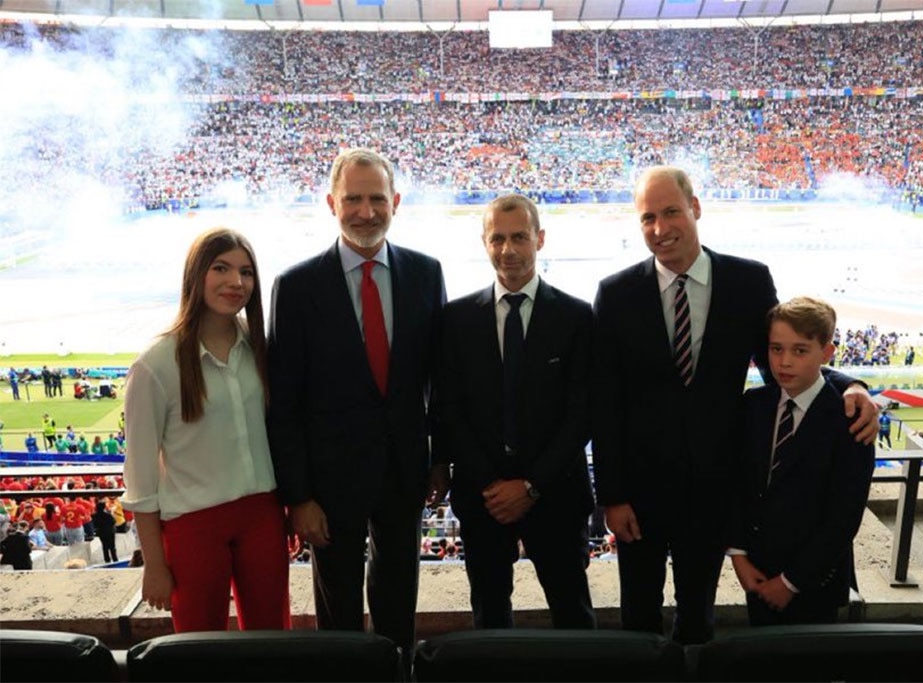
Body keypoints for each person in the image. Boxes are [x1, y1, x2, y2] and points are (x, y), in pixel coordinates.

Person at [590, 165, 880, 645]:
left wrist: (852, 383)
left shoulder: (748, 282)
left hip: (713, 491)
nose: (660, 230)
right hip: (639, 495)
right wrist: (613, 495)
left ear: (696, 208)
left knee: (697, 617)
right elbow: (605, 400)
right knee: (637, 617)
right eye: (647, 219)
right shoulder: (616, 293)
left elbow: (787, 359)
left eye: (670, 213)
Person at [266, 148, 447, 659]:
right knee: (337, 608)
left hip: (403, 471)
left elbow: (439, 381)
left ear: (396, 202)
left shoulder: (426, 273)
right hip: (328, 483)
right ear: (331, 203)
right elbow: (285, 401)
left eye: (376, 199)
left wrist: (438, 458)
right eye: (353, 200)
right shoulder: (297, 287)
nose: (366, 212)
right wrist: (298, 495)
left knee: (398, 600)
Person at [435, 194, 595, 629]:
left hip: (557, 494)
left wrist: (530, 485)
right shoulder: (455, 320)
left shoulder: (578, 318)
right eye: (498, 239)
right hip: (482, 497)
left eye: (519, 237)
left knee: (573, 614)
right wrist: (491, 483)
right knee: (489, 615)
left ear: (539, 239)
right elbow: (448, 410)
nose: (508, 250)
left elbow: (581, 414)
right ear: (484, 243)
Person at [122, 227, 291, 633]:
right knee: (198, 645)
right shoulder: (156, 365)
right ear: (196, 274)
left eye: (246, 272)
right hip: (193, 524)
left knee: (272, 639)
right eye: (221, 268)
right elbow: (141, 479)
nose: (236, 282)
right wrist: (155, 565)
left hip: (263, 517)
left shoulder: (260, 348)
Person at [729, 297, 876, 626]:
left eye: (799, 350)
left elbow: (843, 516)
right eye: (776, 349)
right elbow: (737, 485)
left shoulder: (850, 419)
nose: (784, 362)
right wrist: (738, 554)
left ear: (826, 354)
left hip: (815, 582)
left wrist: (791, 581)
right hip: (757, 572)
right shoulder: (753, 405)